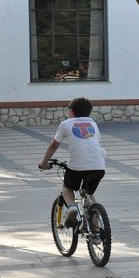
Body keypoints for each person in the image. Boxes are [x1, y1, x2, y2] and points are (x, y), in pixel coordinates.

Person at [38, 97, 106, 227]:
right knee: (90, 194)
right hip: (98, 166)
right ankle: (96, 230)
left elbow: (53, 145)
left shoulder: (66, 124)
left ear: (71, 111)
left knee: (67, 188)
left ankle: (72, 207)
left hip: (77, 166)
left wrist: (44, 163)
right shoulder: (93, 123)